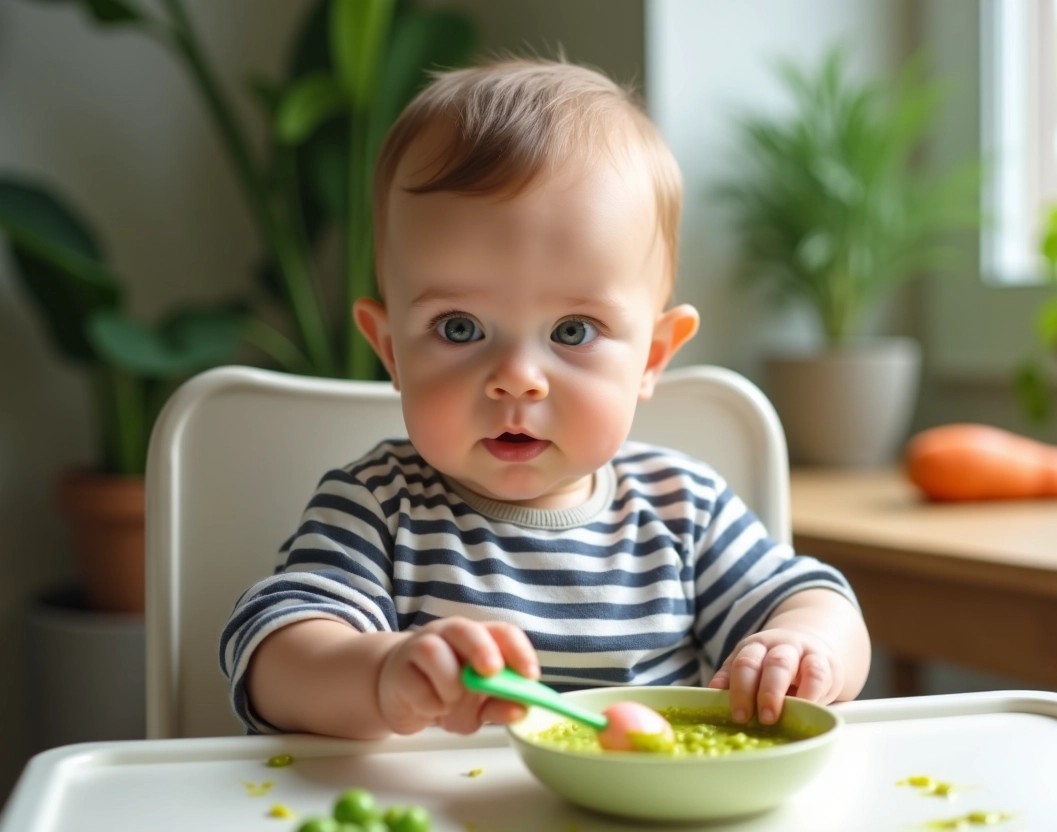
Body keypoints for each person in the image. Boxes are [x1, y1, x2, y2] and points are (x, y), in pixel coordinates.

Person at [220, 58, 871, 739]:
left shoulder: (684, 511)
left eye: (572, 331)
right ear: (391, 350)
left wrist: (806, 648)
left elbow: (814, 599)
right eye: (459, 328)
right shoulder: (378, 508)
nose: (516, 378)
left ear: (651, 356)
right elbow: (274, 654)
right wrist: (380, 676)